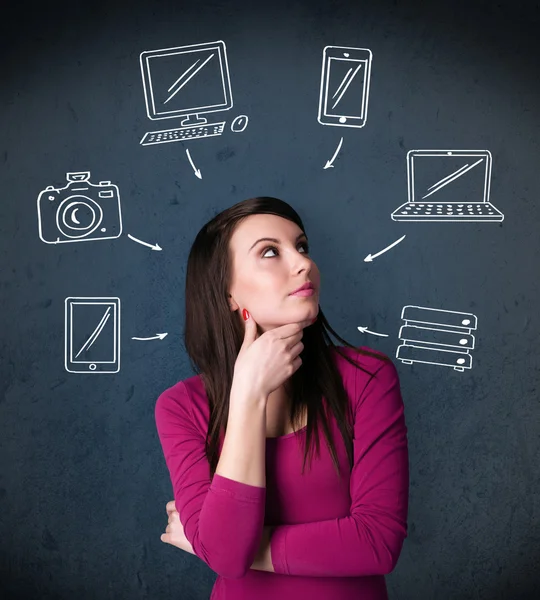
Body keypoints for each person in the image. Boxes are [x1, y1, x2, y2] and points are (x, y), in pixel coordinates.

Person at [155, 196, 410, 600]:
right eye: (271, 252)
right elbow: (224, 554)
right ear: (229, 297)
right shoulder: (181, 407)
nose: (302, 263)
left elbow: (376, 543)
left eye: (302, 246)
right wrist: (249, 395)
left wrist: (219, 544)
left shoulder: (367, 377)